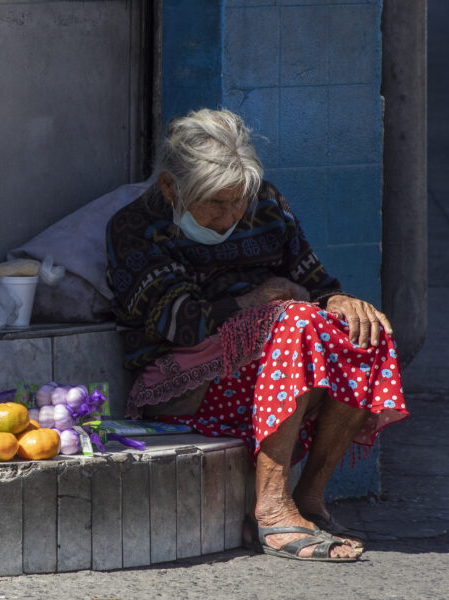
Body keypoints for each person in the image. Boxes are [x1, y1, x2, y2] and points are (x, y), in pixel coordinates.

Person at [105, 108, 409, 562]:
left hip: (268, 368)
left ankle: (308, 499)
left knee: (364, 330)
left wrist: (341, 301)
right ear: (171, 188)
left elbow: (317, 283)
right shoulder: (135, 227)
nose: (231, 215)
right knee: (296, 322)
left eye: (238, 200)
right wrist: (257, 302)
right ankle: (270, 505)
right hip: (184, 388)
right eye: (215, 203)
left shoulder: (265, 202)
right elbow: (180, 324)